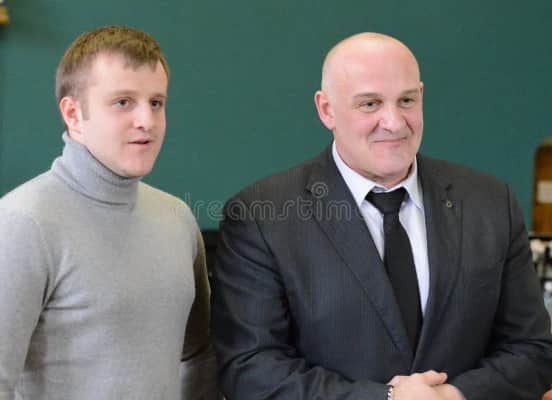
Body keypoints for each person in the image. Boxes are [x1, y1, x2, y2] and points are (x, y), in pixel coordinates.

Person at [211, 32, 552, 399]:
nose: (394, 122)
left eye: (406, 100)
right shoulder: (261, 216)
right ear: (326, 109)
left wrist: (452, 395)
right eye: (370, 103)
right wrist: (386, 398)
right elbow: (250, 367)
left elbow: (533, 350)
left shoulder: (491, 203)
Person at [0, 26, 219, 400]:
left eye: (156, 102)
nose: (147, 121)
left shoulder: (177, 217)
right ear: (73, 114)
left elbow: (196, 355)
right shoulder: (22, 223)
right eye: (123, 102)